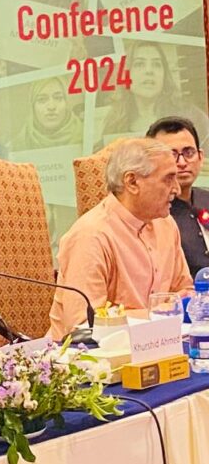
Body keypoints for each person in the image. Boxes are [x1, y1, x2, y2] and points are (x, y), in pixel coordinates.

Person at [48, 138, 191, 338]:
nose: (177, 189)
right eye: (168, 179)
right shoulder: (90, 236)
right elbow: (85, 326)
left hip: (160, 346)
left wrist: (160, 312)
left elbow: (185, 293)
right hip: (88, 354)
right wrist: (157, 314)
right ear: (132, 182)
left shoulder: (166, 224)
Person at [146, 116, 209, 274]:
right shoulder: (147, 215)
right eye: (171, 154)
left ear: (200, 157)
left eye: (189, 153)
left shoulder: (206, 199)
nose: (182, 162)